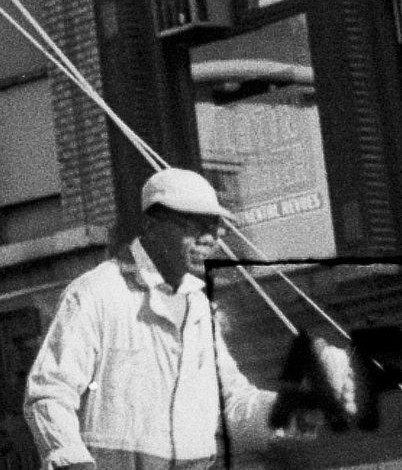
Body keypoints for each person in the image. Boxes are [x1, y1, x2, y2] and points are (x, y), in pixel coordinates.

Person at [26, 166, 284, 470]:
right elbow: (50, 391)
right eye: (195, 226)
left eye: (215, 227)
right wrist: (72, 461)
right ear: (153, 225)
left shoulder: (198, 306)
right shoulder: (96, 294)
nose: (210, 239)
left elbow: (232, 402)